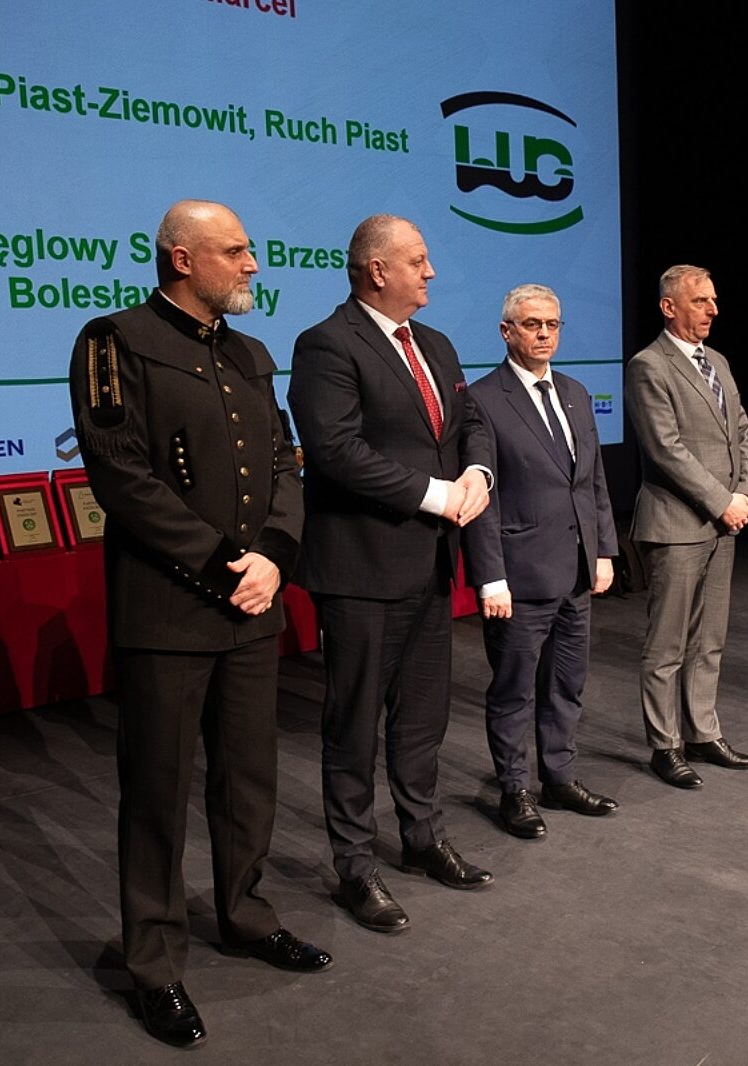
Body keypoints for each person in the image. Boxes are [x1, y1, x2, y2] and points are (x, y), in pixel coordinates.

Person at [68, 200, 328, 1049]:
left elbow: (284, 463)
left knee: (248, 780)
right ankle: (153, 964)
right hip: (170, 611)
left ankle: (246, 917)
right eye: (236, 251)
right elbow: (123, 478)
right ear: (182, 259)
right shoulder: (114, 341)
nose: (252, 265)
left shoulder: (248, 353)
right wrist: (227, 566)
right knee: (156, 792)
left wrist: (276, 557)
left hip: (252, 607)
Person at [288, 214, 495, 934]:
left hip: (430, 565)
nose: (430, 271)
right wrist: (436, 495)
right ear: (378, 270)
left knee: (422, 718)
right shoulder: (326, 344)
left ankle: (422, 836)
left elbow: (469, 423)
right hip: (361, 569)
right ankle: (355, 866)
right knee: (354, 727)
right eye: (419, 260)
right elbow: (335, 450)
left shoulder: (434, 343)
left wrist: (477, 472)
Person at [466, 284, 619, 839]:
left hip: (576, 569)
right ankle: (514, 791)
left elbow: (593, 480)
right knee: (514, 690)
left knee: (566, 684)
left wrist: (604, 551)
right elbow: (482, 497)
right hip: (520, 574)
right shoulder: (482, 399)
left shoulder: (575, 392)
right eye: (532, 324)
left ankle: (559, 778)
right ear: (506, 331)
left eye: (552, 324)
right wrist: (491, 577)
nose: (544, 334)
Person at [625, 265, 748, 789]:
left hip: (724, 522)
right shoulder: (648, 365)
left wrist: (745, 492)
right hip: (677, 523)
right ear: (669, 307)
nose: (713, 309)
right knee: (667, 645)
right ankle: (665, 745)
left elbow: (740, 430)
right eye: (701, 300)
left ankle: (703, 732)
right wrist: (722, 501)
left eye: (713, 300)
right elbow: (666, 450)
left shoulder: (718, 361)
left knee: (709, 639)